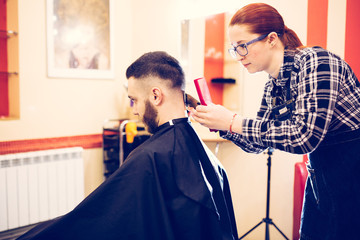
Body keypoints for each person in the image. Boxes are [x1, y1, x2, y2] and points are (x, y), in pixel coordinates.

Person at [17, 51, 238, 240]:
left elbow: (97, 218)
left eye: (134, 100)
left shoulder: (149, 157)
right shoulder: (204, 155)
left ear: (155, 95)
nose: (133, 109)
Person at [190, 3, 360, 240]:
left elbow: (304, 137)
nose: (239, 56)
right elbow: (257, 144)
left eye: (243, 46)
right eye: (234, 49)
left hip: (352, 175)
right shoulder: (274, 84)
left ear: (271, 39)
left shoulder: (317, 62)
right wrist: (222, 124)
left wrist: (233, 122)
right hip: (322, 178)